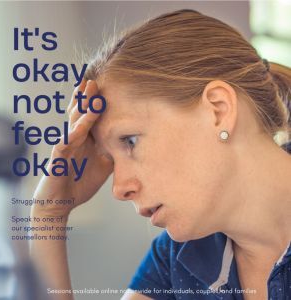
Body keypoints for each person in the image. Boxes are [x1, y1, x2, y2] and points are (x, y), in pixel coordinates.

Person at [31, 9, 291, 300]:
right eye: (111, 160)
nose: (119, 189)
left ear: (218, 110)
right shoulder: (179, 258)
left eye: (130, 141)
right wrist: (49, 212)